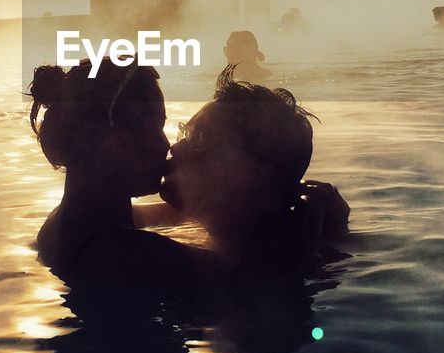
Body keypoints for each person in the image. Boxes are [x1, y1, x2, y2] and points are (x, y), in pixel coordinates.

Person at [28, 58, 211, 301]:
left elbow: (152, 215)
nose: (166, 144)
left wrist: (208, 204)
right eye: (157, 128)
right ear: (118, 142)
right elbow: (259, 278)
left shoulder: (63, 222)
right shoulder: (137, 255)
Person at [156, 68, 349, 275]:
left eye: (201, 138)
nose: (175, 148)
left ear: (257, 174)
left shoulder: (181, 268)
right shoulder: (249, 236)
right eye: (186, 132)